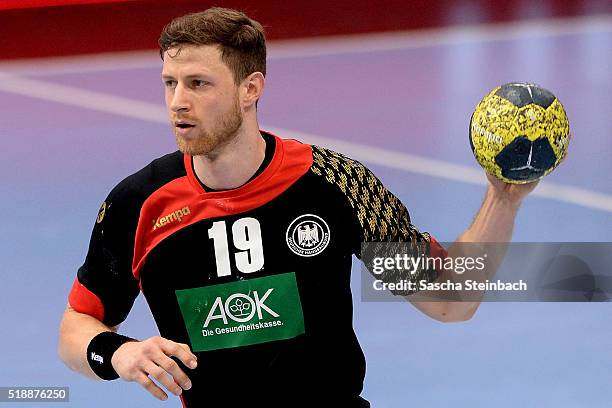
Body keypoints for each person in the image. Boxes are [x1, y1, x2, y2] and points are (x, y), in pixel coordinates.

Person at [58, 7, 537, 407]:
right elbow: (76, 328)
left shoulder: (334, 184)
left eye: (198, 84)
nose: (178, 102)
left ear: (251, 89)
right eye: (169, 83)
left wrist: (502, 198)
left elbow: (451, 302)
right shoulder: (139, 203)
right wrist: (117, 354)